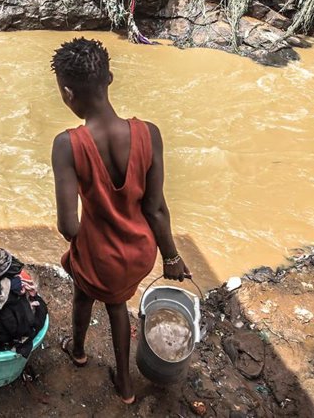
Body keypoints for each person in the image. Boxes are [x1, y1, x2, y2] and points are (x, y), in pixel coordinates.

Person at [50, 38, 191, 404]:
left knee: (94, 295)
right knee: (115, 302)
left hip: (101, 256)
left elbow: (68, 225)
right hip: (140, 252)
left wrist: (86, 244)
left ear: (67, 94)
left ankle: (87, 357)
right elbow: (156, 207)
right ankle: (119, 380)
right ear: (109, 78)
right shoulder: (149, 133)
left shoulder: (68, 144)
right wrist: (171, 257)